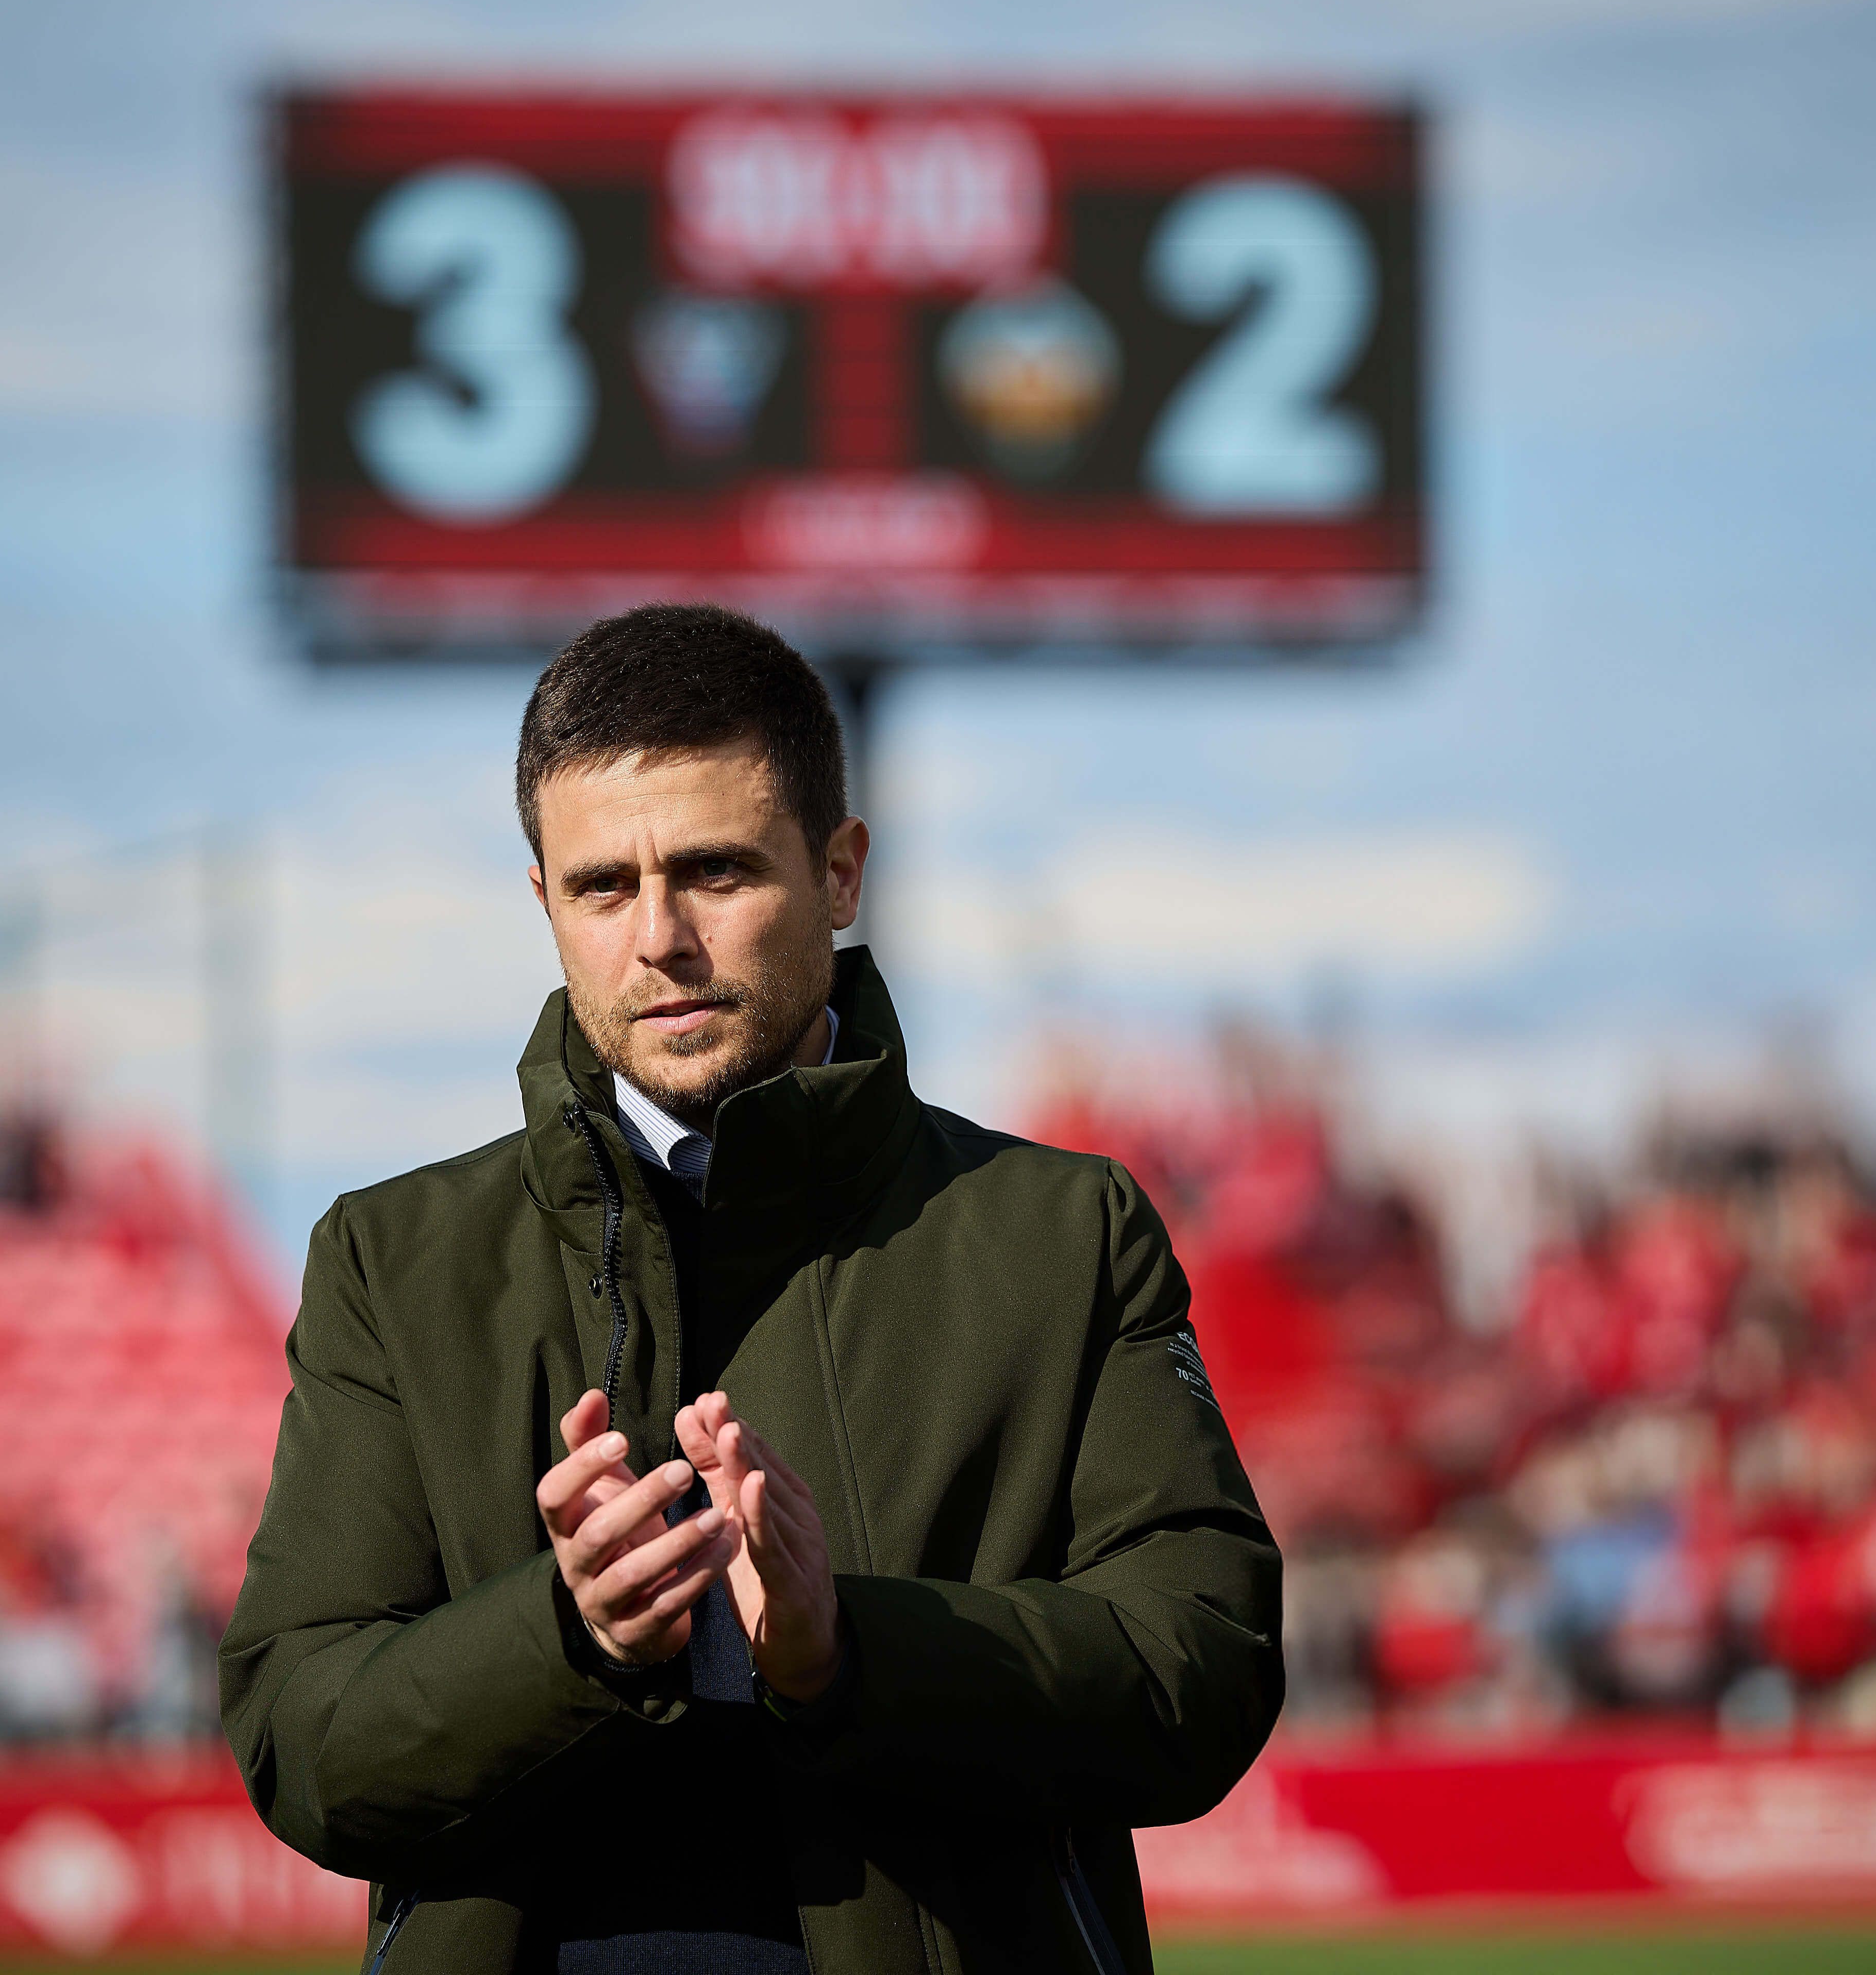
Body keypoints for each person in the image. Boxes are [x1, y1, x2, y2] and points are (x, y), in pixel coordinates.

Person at [221, 604, 1282, 1974]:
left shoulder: (1066, 1234)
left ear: (840, 874)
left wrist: (852, 1653)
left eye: (715, 873)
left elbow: (1204, 1667)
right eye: (604, 887)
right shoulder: (389, 1259)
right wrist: (567, 1636)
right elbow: (302, 1744)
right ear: (545, 902)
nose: (660, 938)